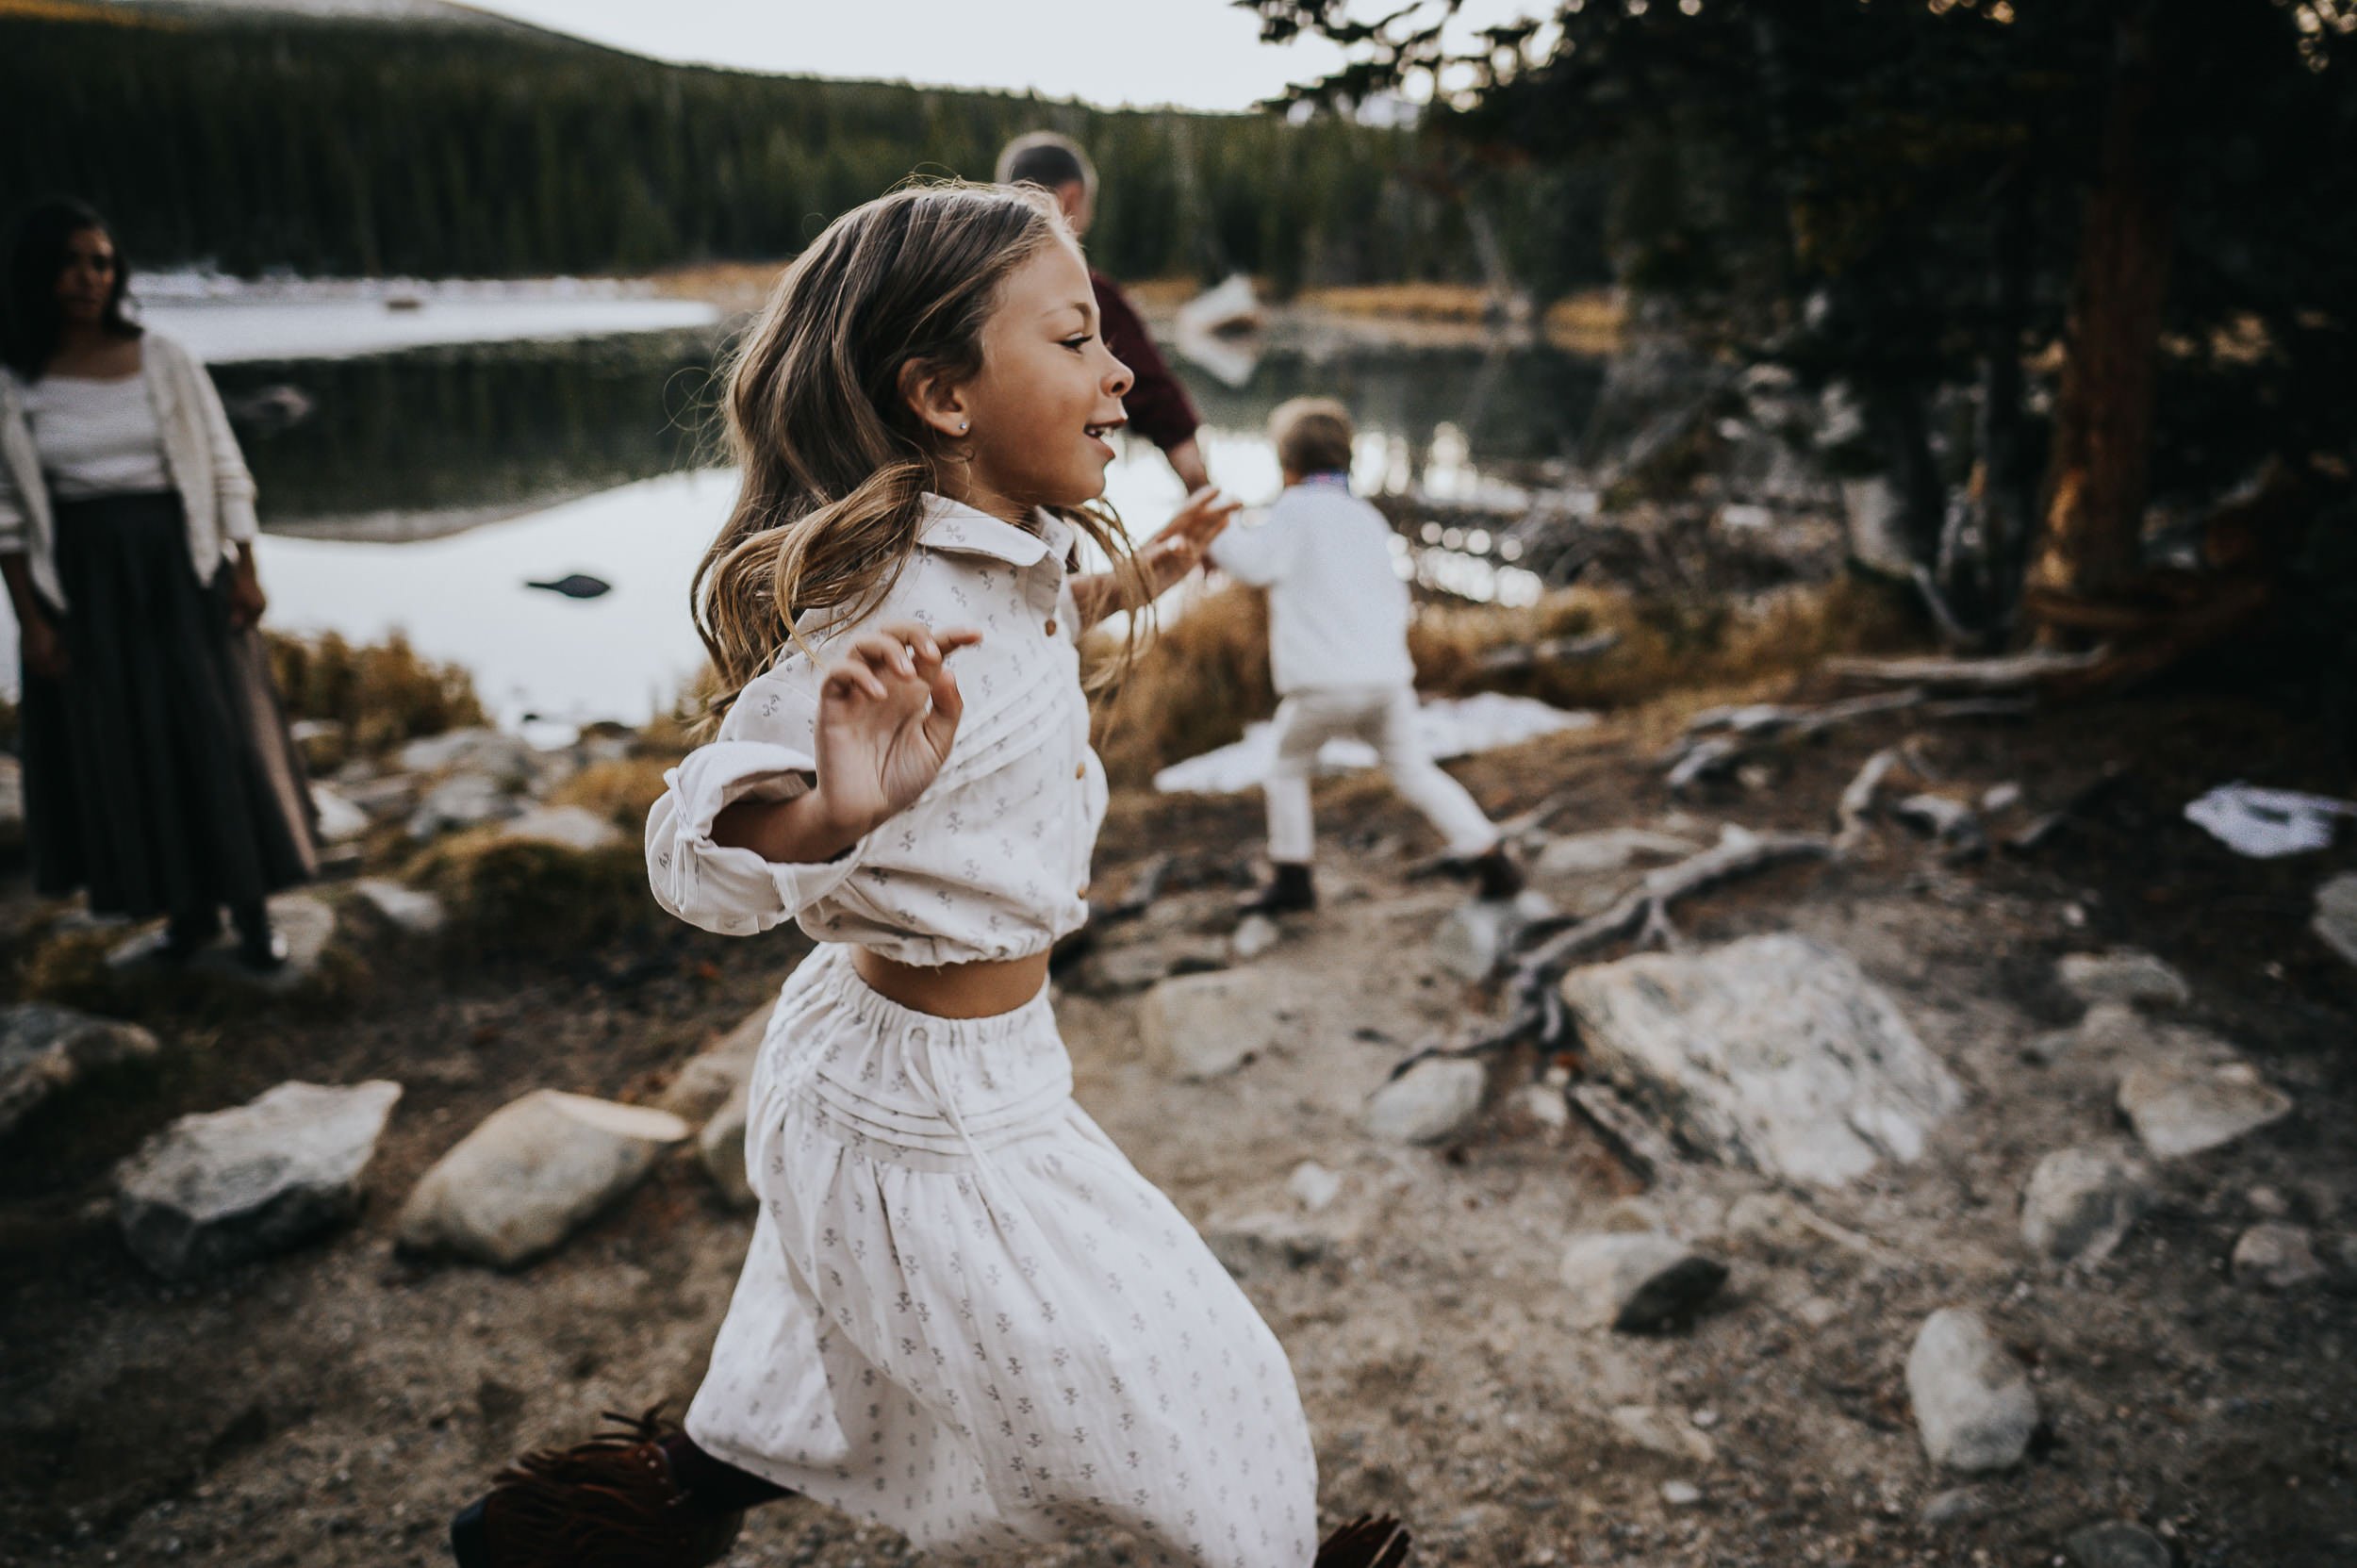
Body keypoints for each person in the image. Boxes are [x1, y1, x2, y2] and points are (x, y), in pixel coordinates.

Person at [450, 183, 1411, 1568]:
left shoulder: (994, 569)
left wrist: (1110, 595)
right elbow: (690, 836)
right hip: (922, 1110)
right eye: (1076, 339)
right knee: (1203, 1382)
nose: (1121, 369)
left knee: (814, 1356)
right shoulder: (891, 605)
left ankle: (605, 1528)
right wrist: (824, 817)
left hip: (950, 1068)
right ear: (942, 395)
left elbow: (1010, 659)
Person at [0, 198, 314, 968]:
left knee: (216, 735)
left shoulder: (165, 358)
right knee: (126, 745)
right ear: (38, 273)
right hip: (84, 586)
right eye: (71, 262)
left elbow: (221, 463)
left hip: (181, 569)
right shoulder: (14, 380)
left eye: (101, 262)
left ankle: (252, 913)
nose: (87, 278)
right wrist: (32, 621)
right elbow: (6, 515)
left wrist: (245, 566)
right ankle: (185, 915)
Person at [1211, 398, 1521, 916]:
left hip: (1324, 684)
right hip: (1385, 680)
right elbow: (1391, 597)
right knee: (1415, 772)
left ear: (1287, 463)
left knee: (1286, 767)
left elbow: (1253, 564)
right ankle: (1491, 857)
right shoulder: (1367, 519)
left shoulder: (1294, 511)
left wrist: (1214, 527)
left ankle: (1293, 879)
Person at [996, 130, 1212, 494]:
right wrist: (1201, 488)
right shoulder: (1088, 296)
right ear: (1072, 199)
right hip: (1035, 505)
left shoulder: (956, 281)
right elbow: (1157, 399)